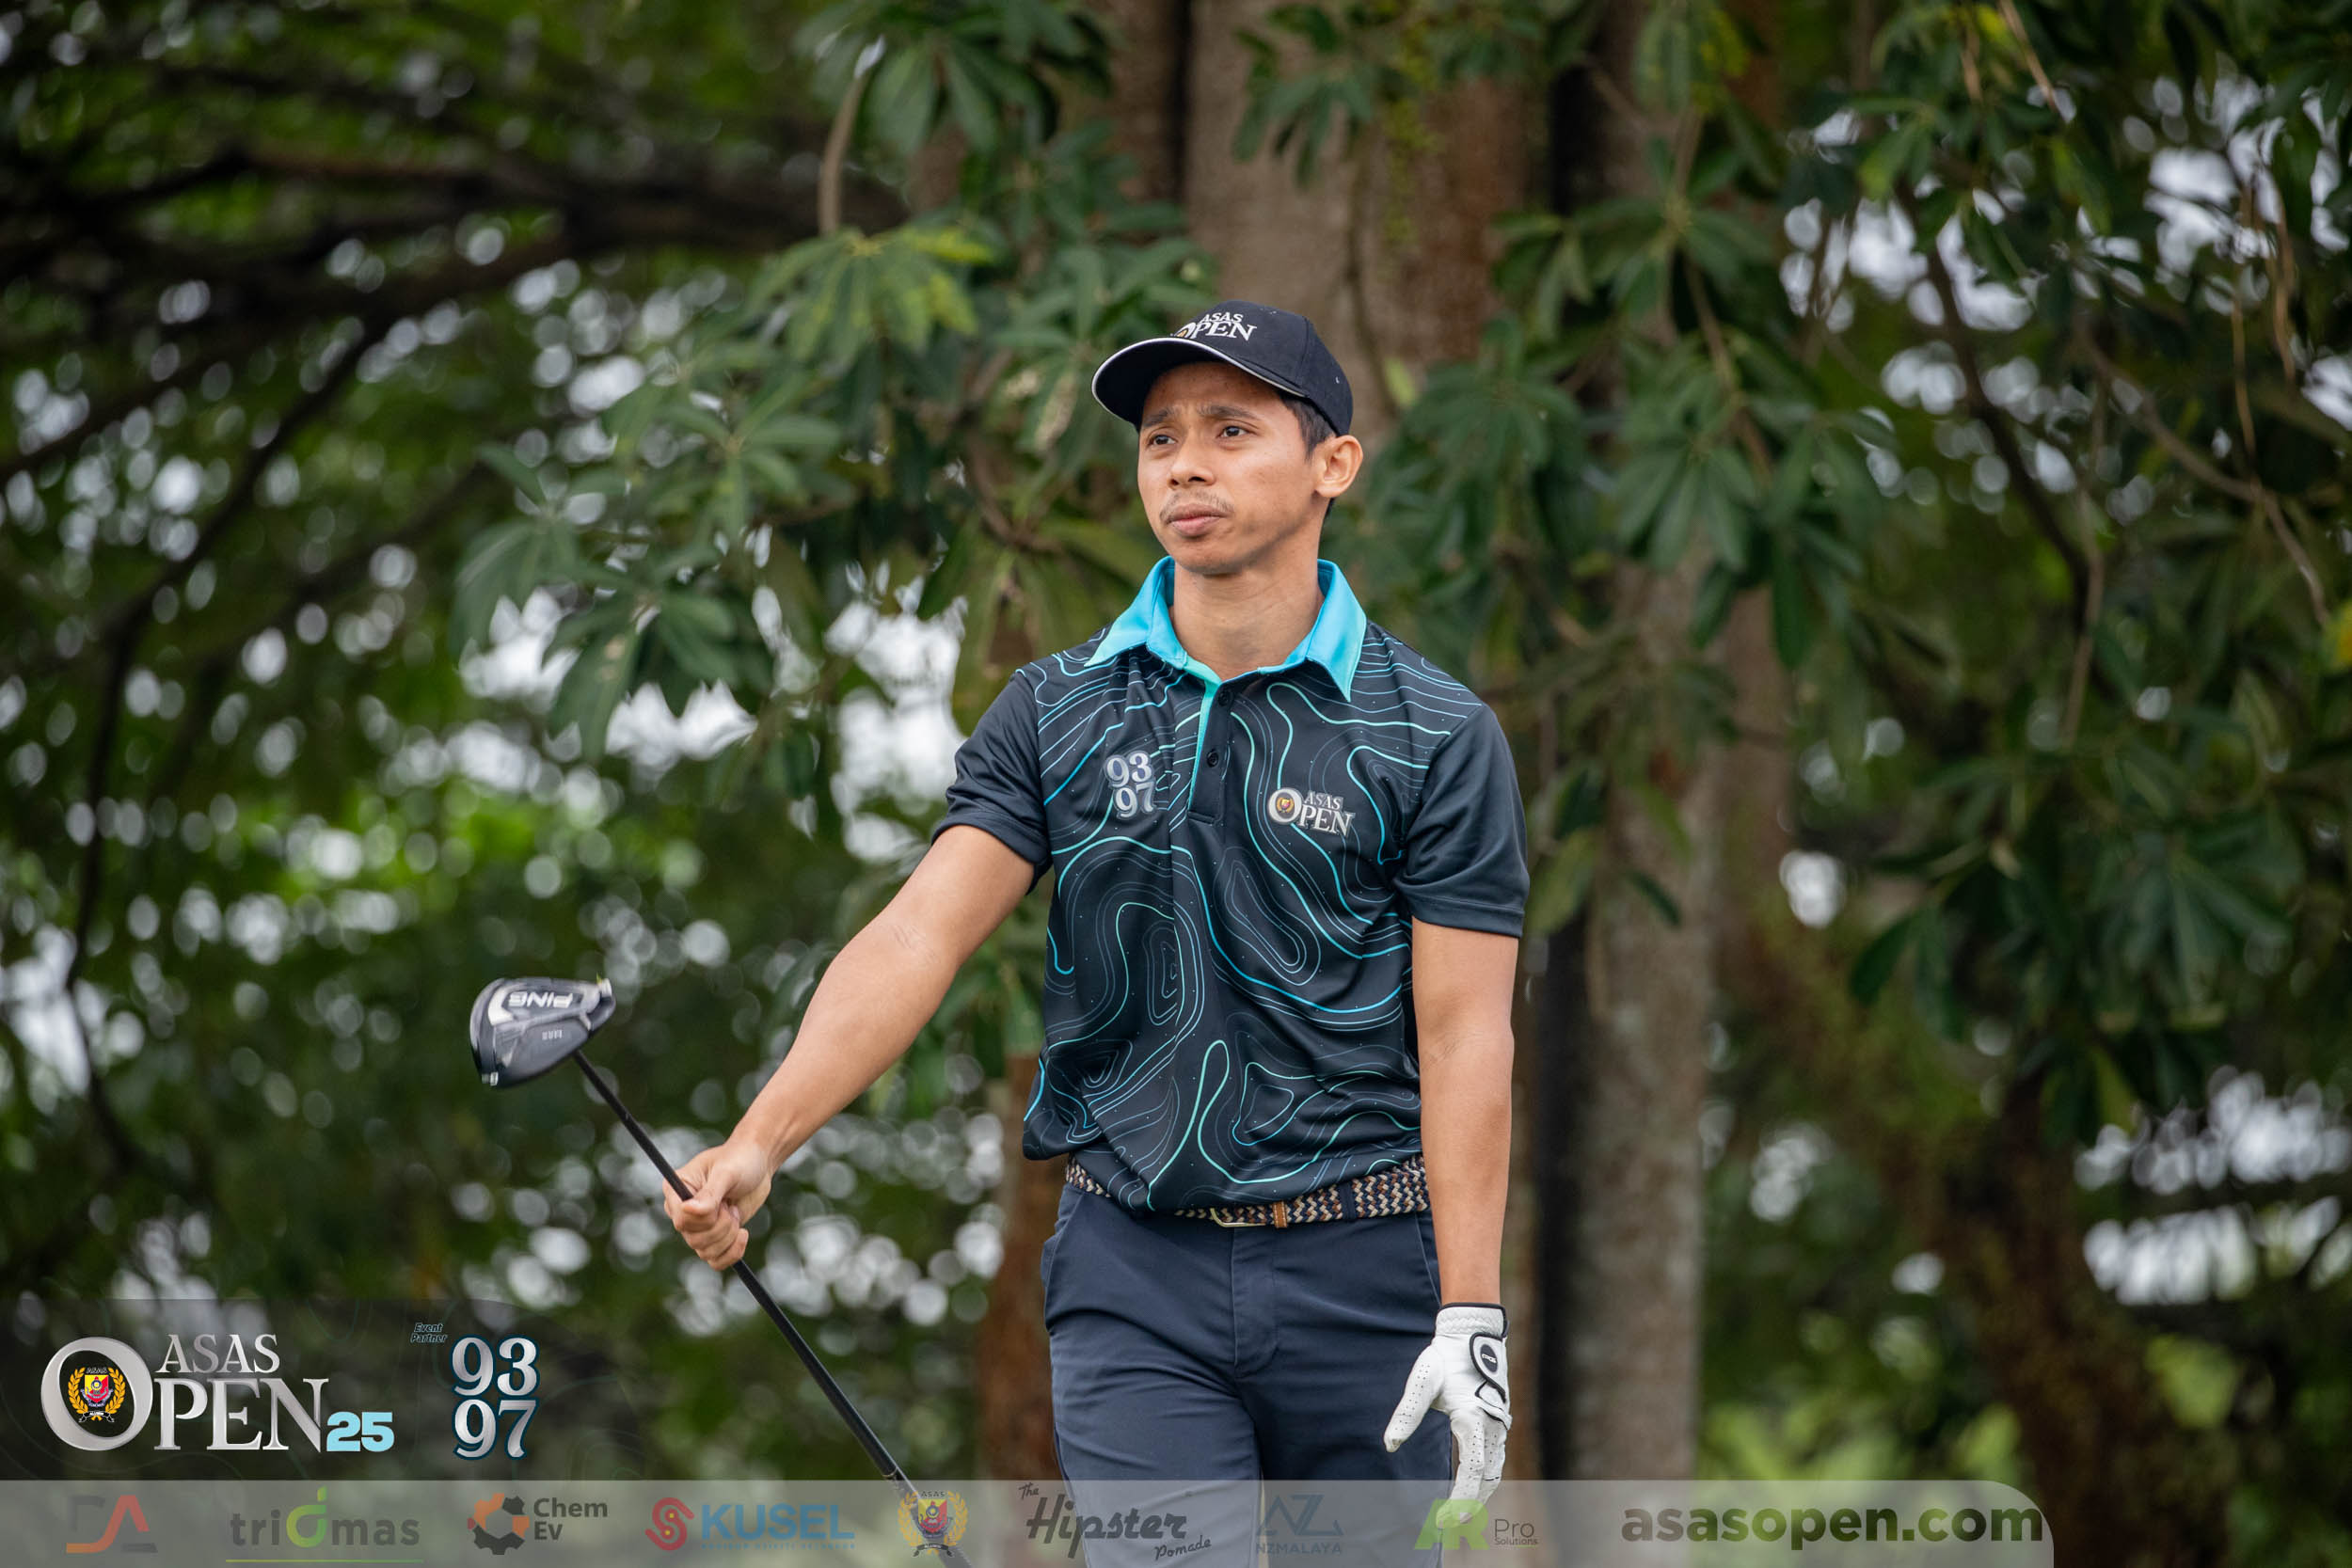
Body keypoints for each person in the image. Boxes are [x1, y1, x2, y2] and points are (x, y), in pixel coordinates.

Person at [665, 301, 1527, 1555]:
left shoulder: (1434, 734)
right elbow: (919, 936)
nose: (1184, 465)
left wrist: (1472, 1315)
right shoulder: (1057, 709)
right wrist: (763, 1137)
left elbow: (1464, 1035)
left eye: (1230, 431)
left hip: (1369, 1268)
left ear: (1333, 464)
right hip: (1136, 1275)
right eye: (1159, 439)